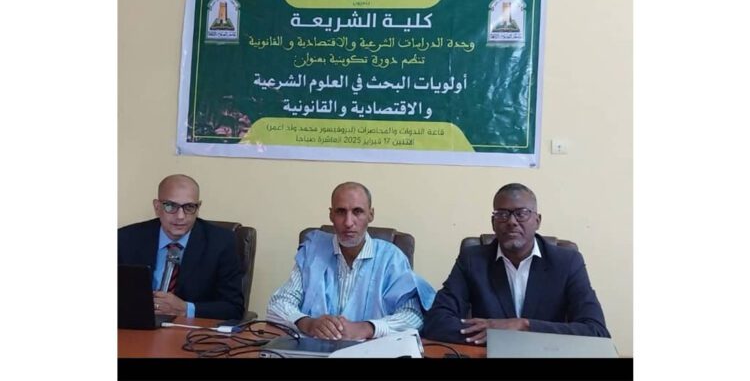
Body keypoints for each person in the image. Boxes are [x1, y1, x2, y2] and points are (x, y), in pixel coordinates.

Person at [422, 183, 610, 345]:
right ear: (493, 222)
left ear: (537, 221)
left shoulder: (567, 262)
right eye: (502, 214)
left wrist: (524, 326)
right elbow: (436, 322)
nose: (512, 222)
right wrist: (496, 334)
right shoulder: (472, 260)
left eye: (521, 213)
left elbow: (596, 331)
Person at [267, 182, 435, 340]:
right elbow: (277, 304)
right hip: (315, 347)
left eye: (357, 211)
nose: (348, 222)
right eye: (341, 212)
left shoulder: (391, 258)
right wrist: (307, 323)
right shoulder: (313, 252)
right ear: (331, 215)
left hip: (370, 350)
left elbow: (413, 316)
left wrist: (367, 327)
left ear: (371, 215)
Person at [118, 174, 244, 320]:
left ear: (198, 207)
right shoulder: (126, 239)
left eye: (189, 207)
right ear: (157, 207)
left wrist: (186, 309)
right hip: (135, 327)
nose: (180, 216)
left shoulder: (221, 243)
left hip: (190, 330)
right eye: (171, 206)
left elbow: (234, 308)